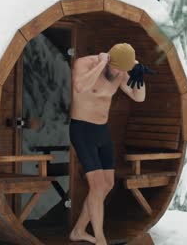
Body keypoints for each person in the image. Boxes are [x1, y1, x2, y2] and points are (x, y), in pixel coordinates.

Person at [68, 43, 155, 245]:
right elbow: (80, 87)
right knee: (97, 185)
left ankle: (79, 230)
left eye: (124, 70)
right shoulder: (85, 64)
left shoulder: (121, 72)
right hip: (82, 129)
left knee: (107, 184)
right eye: (116, 67)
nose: (119, 73)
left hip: (101, 130)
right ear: (109, 60)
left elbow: (138, 97)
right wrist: (102, 63)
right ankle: (100, 239)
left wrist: (139, 76)